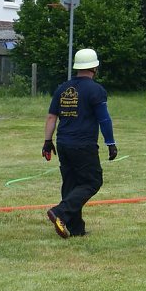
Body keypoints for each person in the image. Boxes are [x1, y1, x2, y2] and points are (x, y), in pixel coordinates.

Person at [42, 48, 117, 238]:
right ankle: (60, 212)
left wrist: (47, 141)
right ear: (94, 67)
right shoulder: (96, 90)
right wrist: (110, 143)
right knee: (92, 181)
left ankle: (76, 229)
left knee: (71, 184)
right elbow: (104, 120)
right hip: (83, 145)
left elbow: (51, 117)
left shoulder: (62, 88)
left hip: (63, 144)